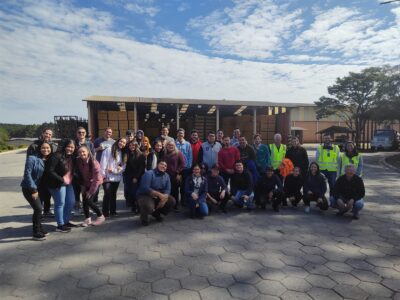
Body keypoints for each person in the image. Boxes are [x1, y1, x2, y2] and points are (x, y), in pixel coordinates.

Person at [43, 139, 77, 232]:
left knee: (71, 202)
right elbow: (50, 170)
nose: (70, 149)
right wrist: (61, 179)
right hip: (57, 183)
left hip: (68, 183)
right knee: (60, 203)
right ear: (64, 146)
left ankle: (66, 221)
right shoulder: (56, 156)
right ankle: (60, 225)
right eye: (68, 146)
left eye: (72, 147)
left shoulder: (72, 157)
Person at [21, 142, 52, 240]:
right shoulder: (32, 158)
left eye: (48, 148)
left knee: (39, 209)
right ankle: (36, 232)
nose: (45, 149)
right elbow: (27, 174)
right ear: (39, 148)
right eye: (43, 148)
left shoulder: (48, 159)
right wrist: (33, 189)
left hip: (40, 188)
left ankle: (40, 227)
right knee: (38, 208)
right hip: (29, 188)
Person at [26, 128, 57, 217]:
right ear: (42, 133)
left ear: (52, 136)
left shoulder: (54, 146)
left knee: (48, 194)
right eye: (46, 133)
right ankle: (39, 212)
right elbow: (29, 161)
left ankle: (47, 210)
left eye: (50, 134)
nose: (48, 135)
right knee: (39, 194)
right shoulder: (34, 146)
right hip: (38, 174)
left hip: (48, 173)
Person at [137, 160, 176, 226]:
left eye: (165, 166)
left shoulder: (167, 176)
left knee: (172, 201)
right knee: (148, 206)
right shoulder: (149, 173)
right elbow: (145, 188)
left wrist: (164, 199)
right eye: (161, 164)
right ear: (157, 165)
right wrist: (159, 195)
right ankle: (144, 218)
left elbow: (168, 189)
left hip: (159, 196)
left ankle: (156, 213)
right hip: (146, 195)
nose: (163, 166)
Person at [76, 145, 105, 226]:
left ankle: (100, 216)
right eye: (80, 152)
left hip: (95, 183)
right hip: (85, 183)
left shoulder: (94, 163)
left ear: (88, 152)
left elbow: (96, 179)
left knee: (89, 200)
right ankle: (87, 219)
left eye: (83, 152)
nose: (82, 154)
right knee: (84, 201)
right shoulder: (78, 161)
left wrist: (91, 191)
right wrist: (82, 186)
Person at [100, 137, 127, 217]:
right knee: (107, 193)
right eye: (121, 141)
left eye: (124, 143)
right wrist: (103, 176)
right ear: (118, 141)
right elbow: (103, 163)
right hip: (107, 177)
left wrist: (116, 171)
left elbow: (123, 167)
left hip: (116, 177)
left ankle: (113, 211)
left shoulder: (123, 153)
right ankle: (105, 212)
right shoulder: (109, 150)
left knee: (113, 194)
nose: (122, 143)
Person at [73, 127, 95, 214]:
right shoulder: (74, 143)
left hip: (87, 170)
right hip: (76, 170)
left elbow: (93, 156)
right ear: (76, 134)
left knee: (85, 189)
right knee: (76, 190)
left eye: (83, 132)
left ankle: (85, 207)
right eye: (79, 132)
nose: (81, 134)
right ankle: (77, 207)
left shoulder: (90, 144)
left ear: (85, 133)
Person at [93, 127, 115, 203]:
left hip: (108, 167)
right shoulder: (97, 140)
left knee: (107, 186)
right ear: (104, 132)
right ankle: (94, 201)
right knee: (97, 184)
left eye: (110, 132)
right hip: (98, 165)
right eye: (107, 132)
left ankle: (106, 202)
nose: (108, 133)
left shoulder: (113, 142)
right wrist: (98, 149)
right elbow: (91, 151)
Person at [124, 141, 146, 213]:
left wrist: (136, 177)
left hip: (136, 176)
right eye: (130, 145)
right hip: (127, 176)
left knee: (135, 192)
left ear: (136, 146)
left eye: (133, 145)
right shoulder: (126, 154)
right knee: (130, 192)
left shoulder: (141, 155)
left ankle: (138, 206)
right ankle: (133, 206)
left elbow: (141, 168)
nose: (132, 147)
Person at [164, 141, 185, 210]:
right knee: (167, 190)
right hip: (165, 175)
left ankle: (175, 206)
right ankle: (167, 205)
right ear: (167, 146)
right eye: (169, 145)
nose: (170, 146)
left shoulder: (178, 153)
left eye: (172, 145)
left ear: (174, 146)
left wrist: (178, 172)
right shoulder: (165, 153)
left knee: (175, 191)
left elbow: (182, 164)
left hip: (174, 175)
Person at [176, 128, 193, 205]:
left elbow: (190, 156)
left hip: (186, 168)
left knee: (184, 185)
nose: (180, 134)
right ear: (177, 134)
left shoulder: (187, 144)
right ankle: (175, 202)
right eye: (179, 133)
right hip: (176, 169)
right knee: (176, 185)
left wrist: (189, 166)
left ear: (184, 134)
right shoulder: (174, 143)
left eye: (182, 133)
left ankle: (183, 201)